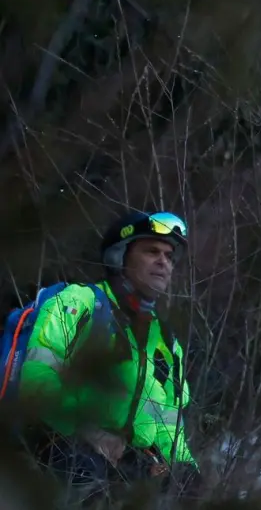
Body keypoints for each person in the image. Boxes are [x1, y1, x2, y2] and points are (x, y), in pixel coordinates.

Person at [14, 211, 199, 504]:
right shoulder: (78, 303)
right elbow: (37, 379)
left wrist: (185, 470)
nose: (164, 262)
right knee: (88, 483)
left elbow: (169, 423)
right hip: (56, 445)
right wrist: (86, 429)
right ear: (119, 257)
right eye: (152, 251)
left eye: (169, 255)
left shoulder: (164, 341)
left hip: (126, 461)